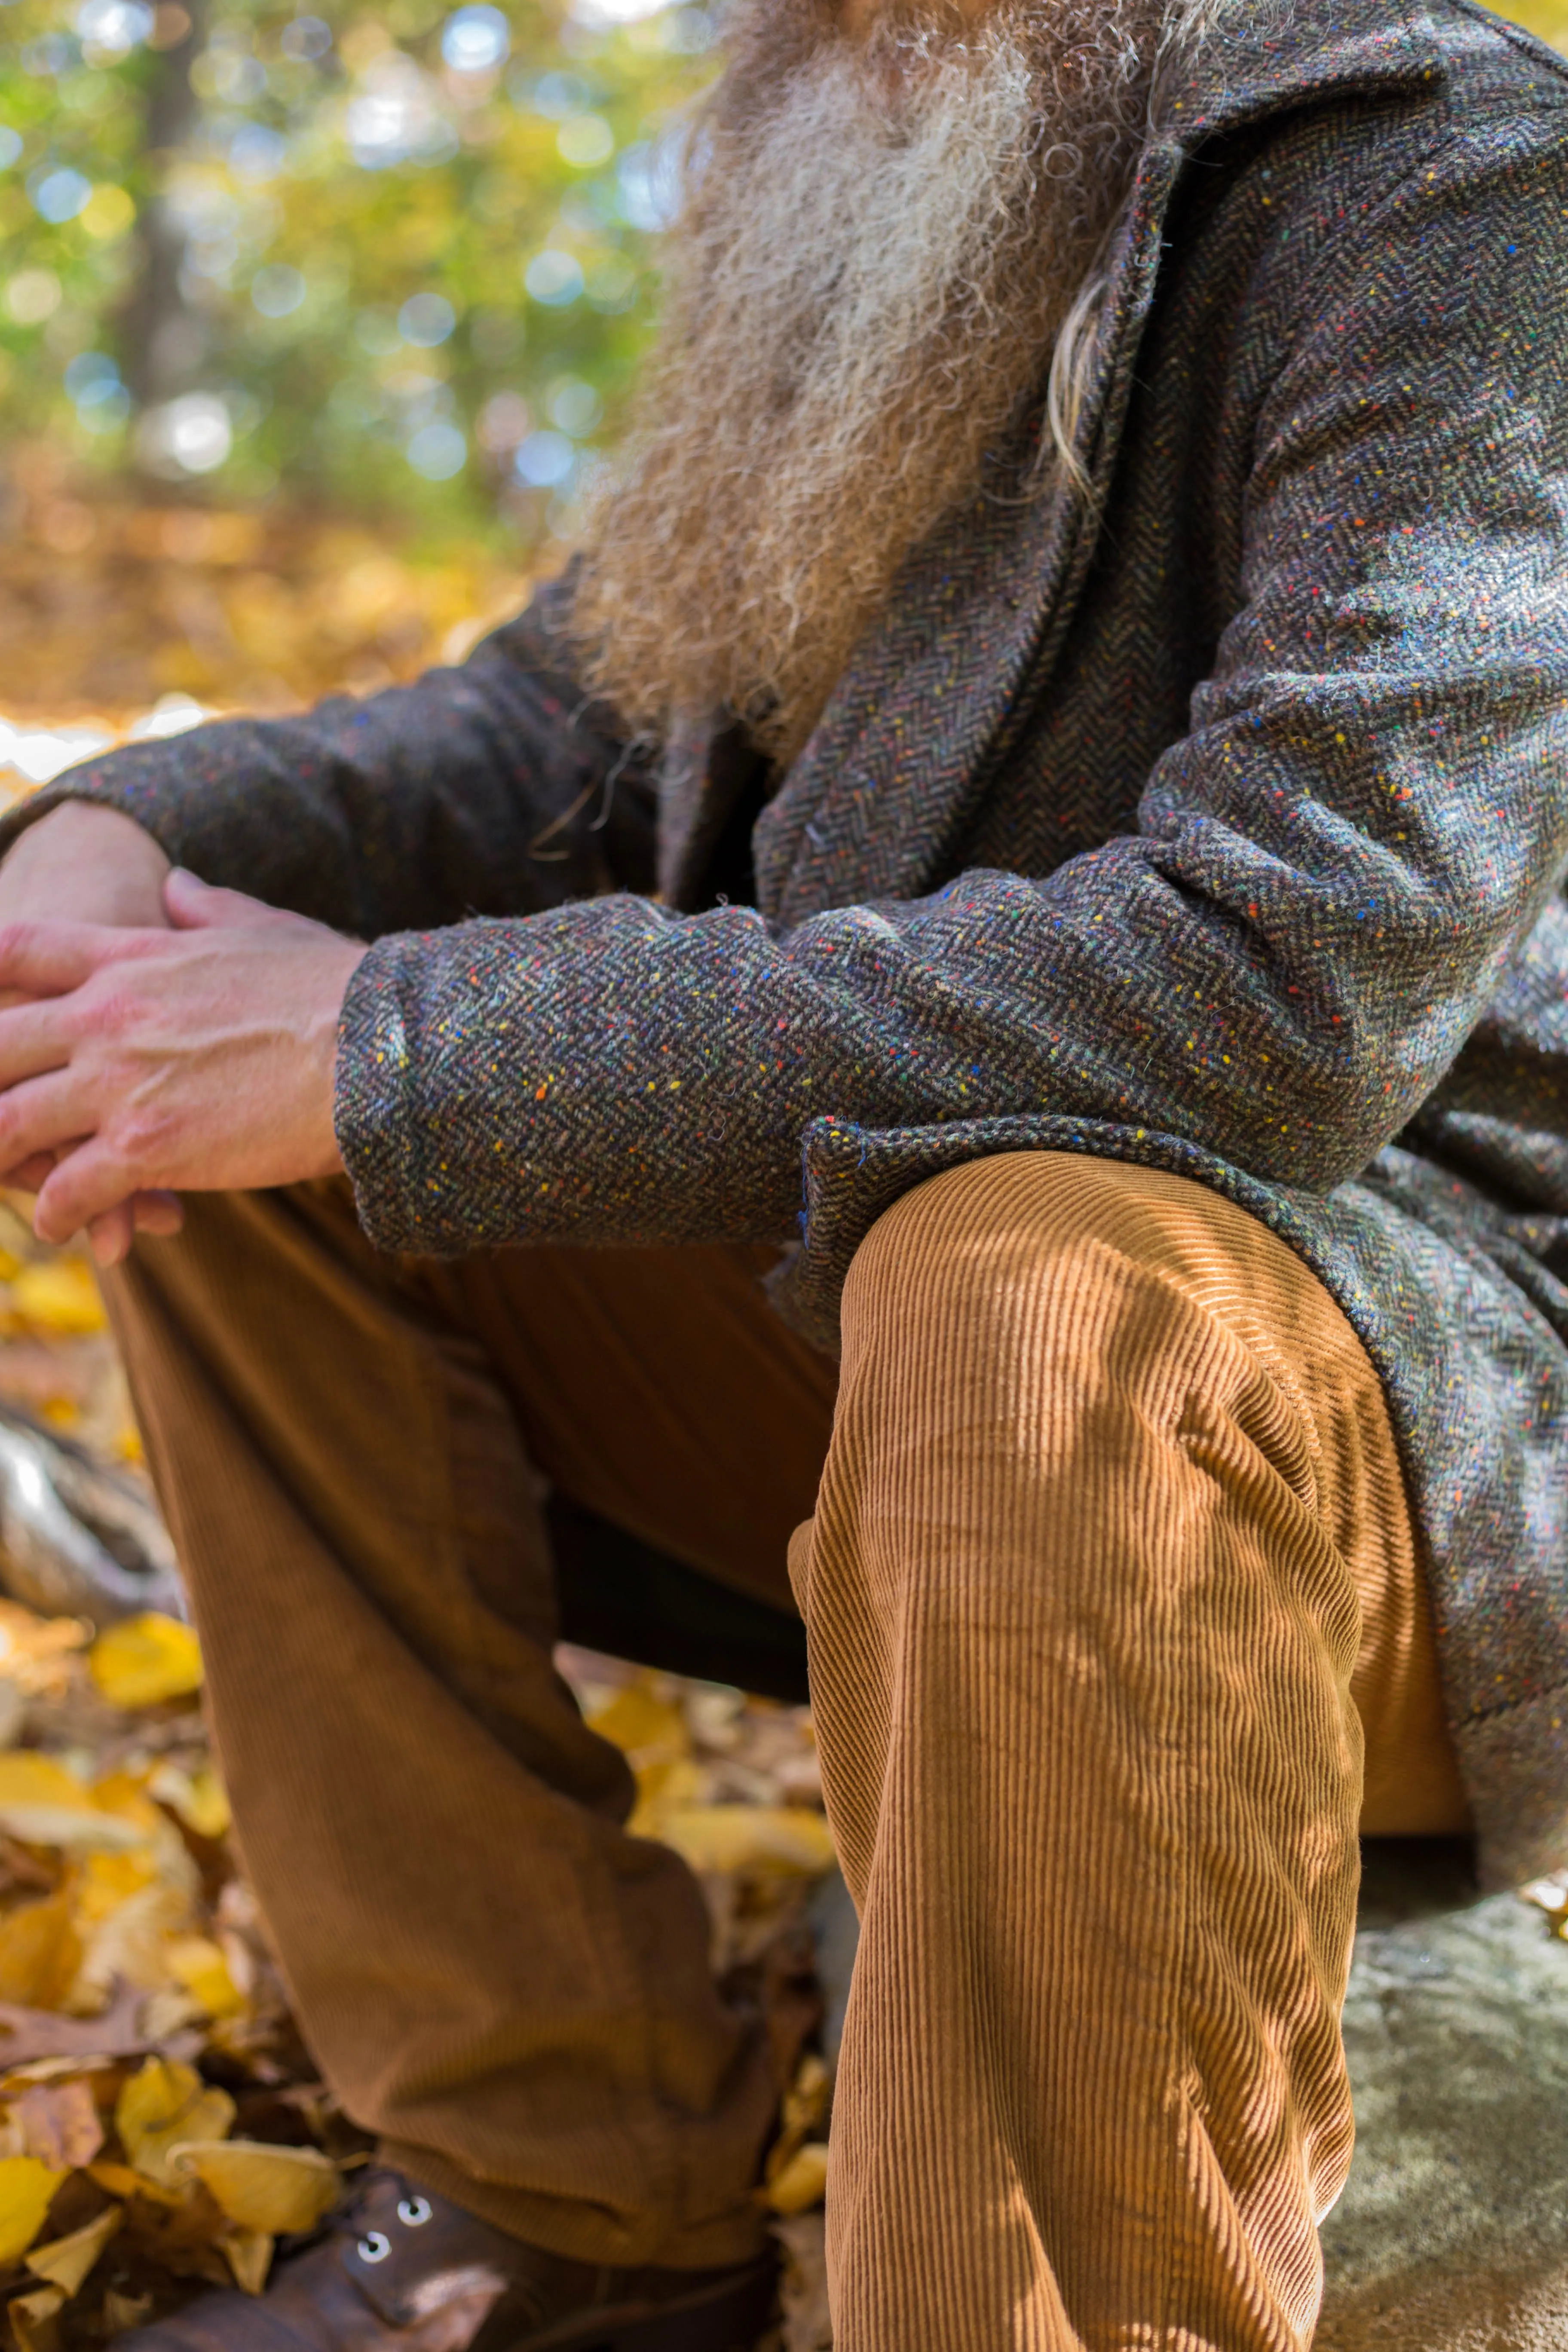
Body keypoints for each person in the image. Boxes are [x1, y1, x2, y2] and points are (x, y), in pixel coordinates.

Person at [1, 0, 1566, 2338]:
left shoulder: (1443, 175)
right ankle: (565, 2199)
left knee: (1023, 1278)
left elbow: (1286, 969)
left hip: (1420, 1466)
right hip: (925, 1389)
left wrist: (391, 1039)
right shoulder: (852, 122)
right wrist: (126, 838)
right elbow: (565, 714)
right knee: (201, 1107)